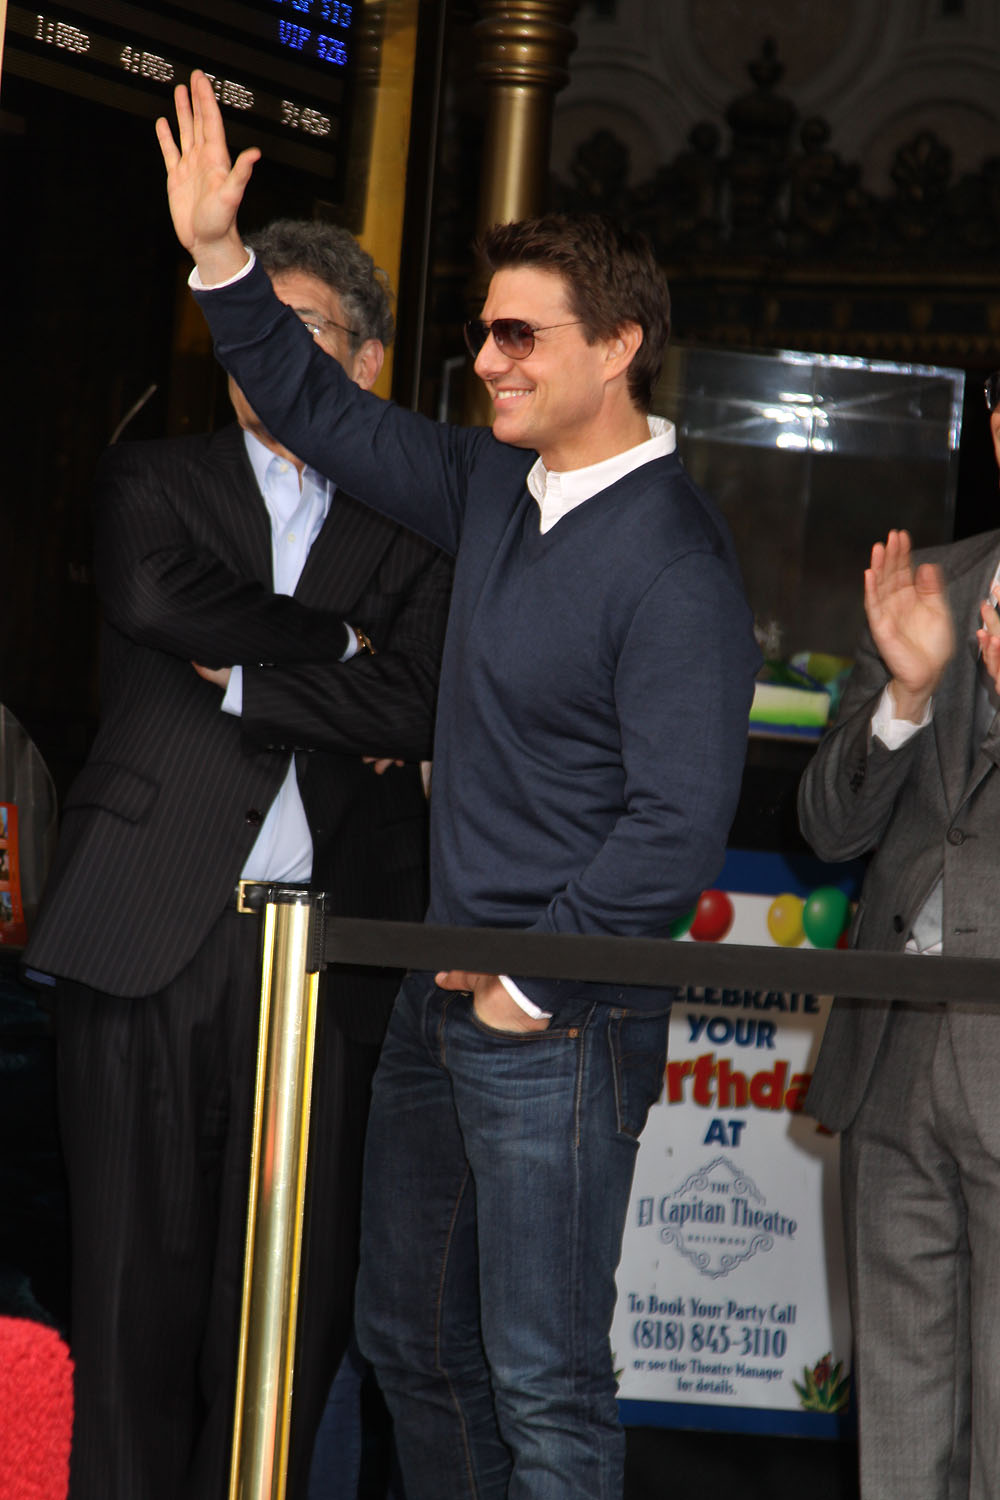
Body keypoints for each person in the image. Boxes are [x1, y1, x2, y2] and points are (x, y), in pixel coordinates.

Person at [155, 71, 760, 1500]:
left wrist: (526, 987)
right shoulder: (494, 483)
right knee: (414, 1348)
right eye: (483, 331)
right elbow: (316, 404)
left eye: (517, 335)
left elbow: (677, 824)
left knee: (545, 1382)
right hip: (447, 996)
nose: (485, 360)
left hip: (560, 1016)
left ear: (619, 347)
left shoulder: (676, 563)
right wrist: (220, 257)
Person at [23, 216, 451, 1500]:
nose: (257, 354)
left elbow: (421, 701)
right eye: (242, 330)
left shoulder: (423, 520)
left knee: (285, 1321)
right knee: (126, 1310)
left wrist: (259, 667)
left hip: (329, 954)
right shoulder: (152, 480)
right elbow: (158, 604)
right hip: (148, 932)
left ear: (365, 364)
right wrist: (342, 649)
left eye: (296, 329)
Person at [799, 379, 1000, 1500]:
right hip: (893, 1046)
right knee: (900, 1415)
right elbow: (828, 829)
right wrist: (905, 701)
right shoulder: (932, 581)